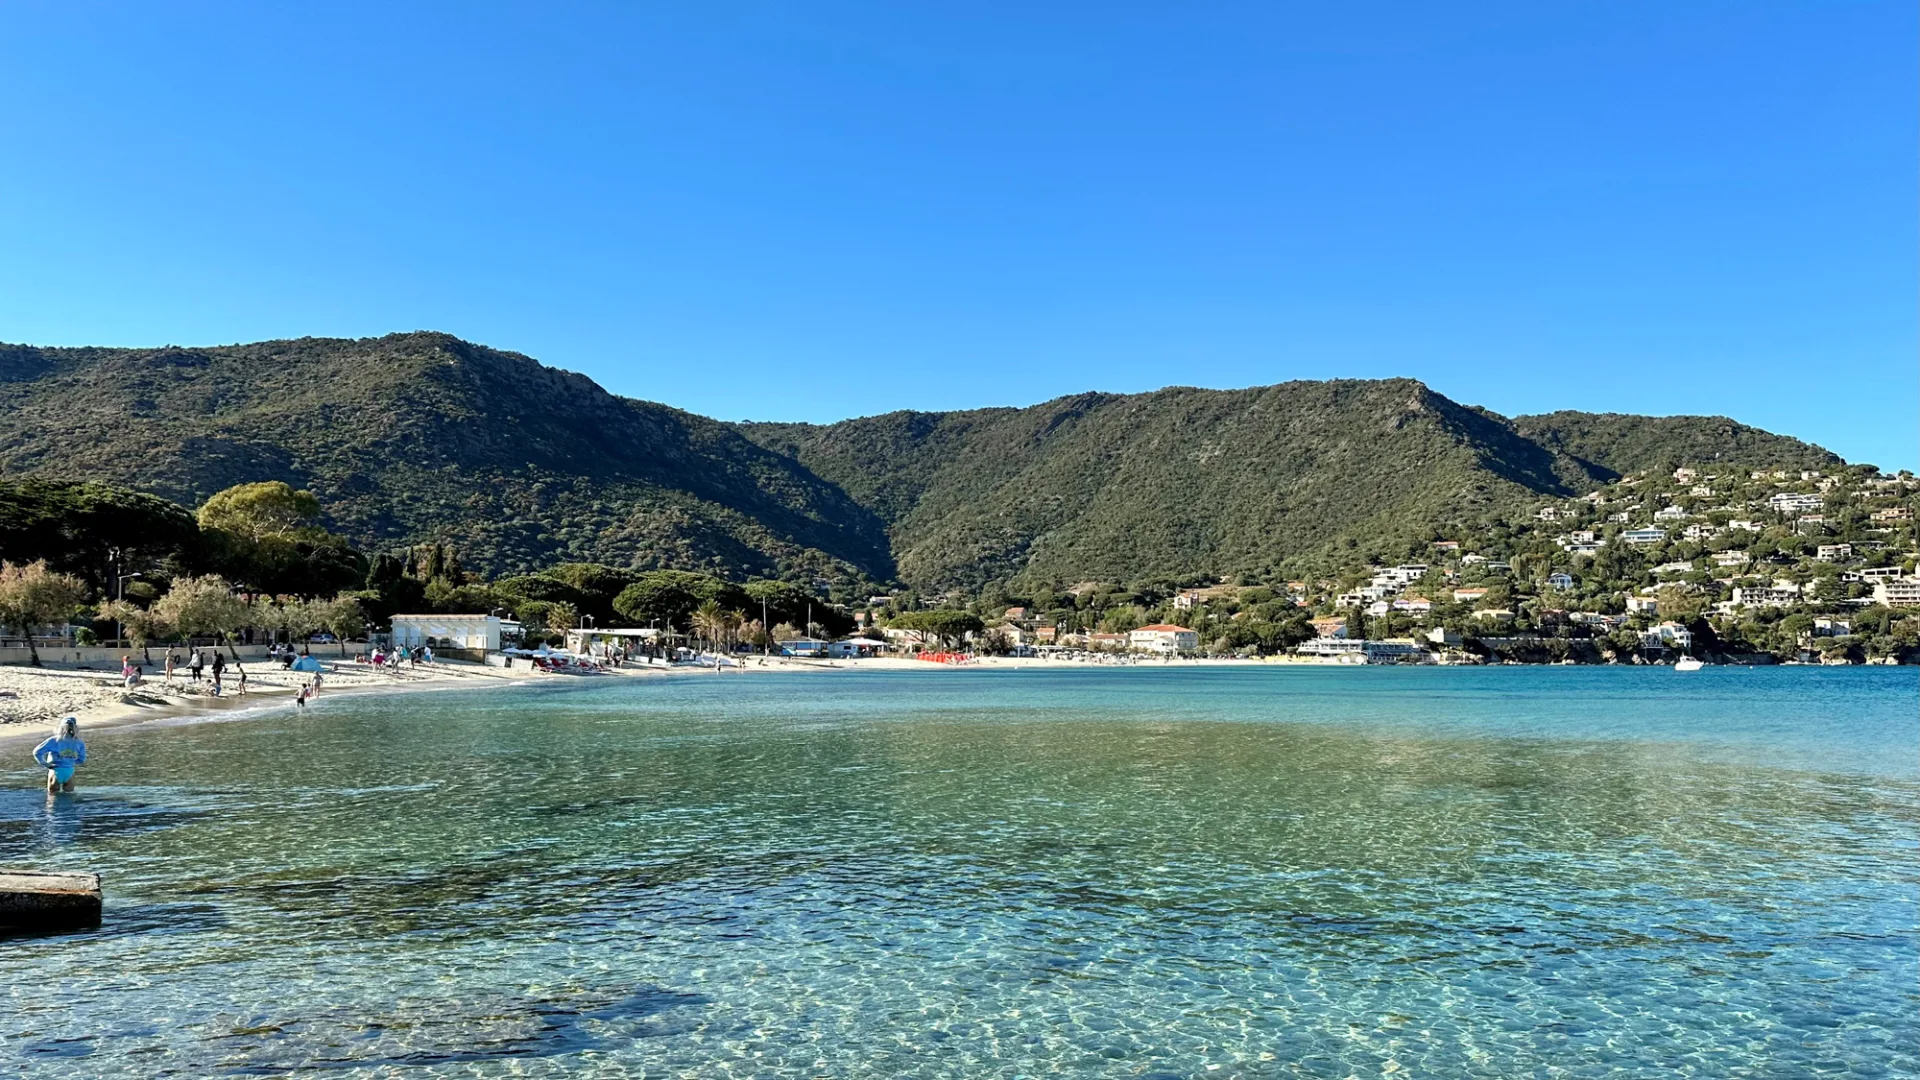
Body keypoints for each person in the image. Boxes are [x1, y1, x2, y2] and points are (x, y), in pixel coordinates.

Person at [33, 717, 87, 794]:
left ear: (60, 727)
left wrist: (45, 764)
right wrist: (71, 761)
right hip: (69, 771)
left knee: (52, 797)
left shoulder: (54, 740)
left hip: (55, 770)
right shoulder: (79, 742)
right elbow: (81, 760)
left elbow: (36, 752)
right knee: (69, 797)